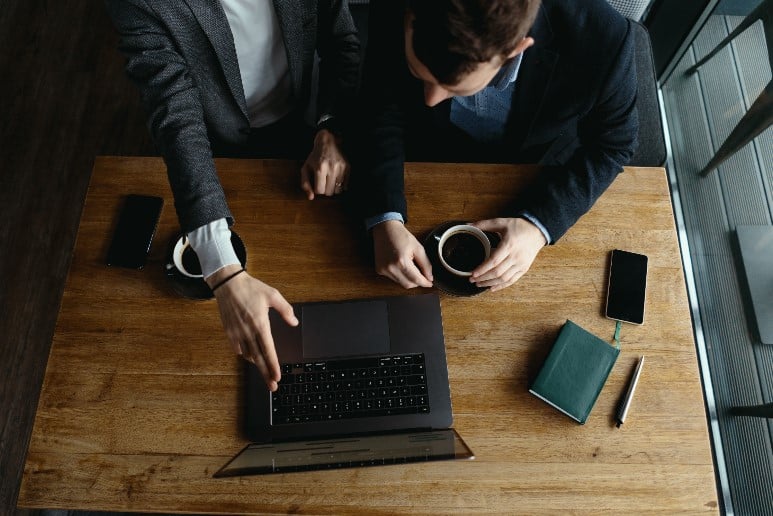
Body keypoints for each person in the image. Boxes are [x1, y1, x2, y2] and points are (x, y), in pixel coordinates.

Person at [105, 0, 360, 391]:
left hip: (310, 122)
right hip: (216, 145)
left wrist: (332, 126)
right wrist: (224, 273)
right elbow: (175, 114)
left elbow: (342, 40)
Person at [352, 0, 638, 292]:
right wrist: (384, 217)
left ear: (515, 49)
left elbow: (613, 146)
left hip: (531, 172)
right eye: (419, 74)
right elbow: (381, 102)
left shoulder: (604, 38)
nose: (431, 100)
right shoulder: (394, 6)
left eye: (454, 88)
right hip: (418, 154)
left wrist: (539, 226)